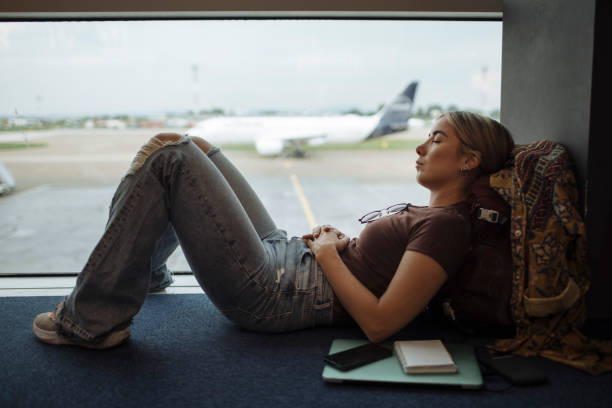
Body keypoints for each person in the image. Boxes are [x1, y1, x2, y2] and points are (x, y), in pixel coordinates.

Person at [32, 111, 514, 349]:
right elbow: (379, 269)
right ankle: (145, 274)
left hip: (275, 292)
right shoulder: (435, 217)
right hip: (287, 258)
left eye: (436, 139)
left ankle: (92, 320)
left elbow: (381, 323)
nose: (420, 148)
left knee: (172, 161)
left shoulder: (449, 227)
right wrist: (342, 245)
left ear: (469, 161)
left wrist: (328, 256)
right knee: (190, 144)